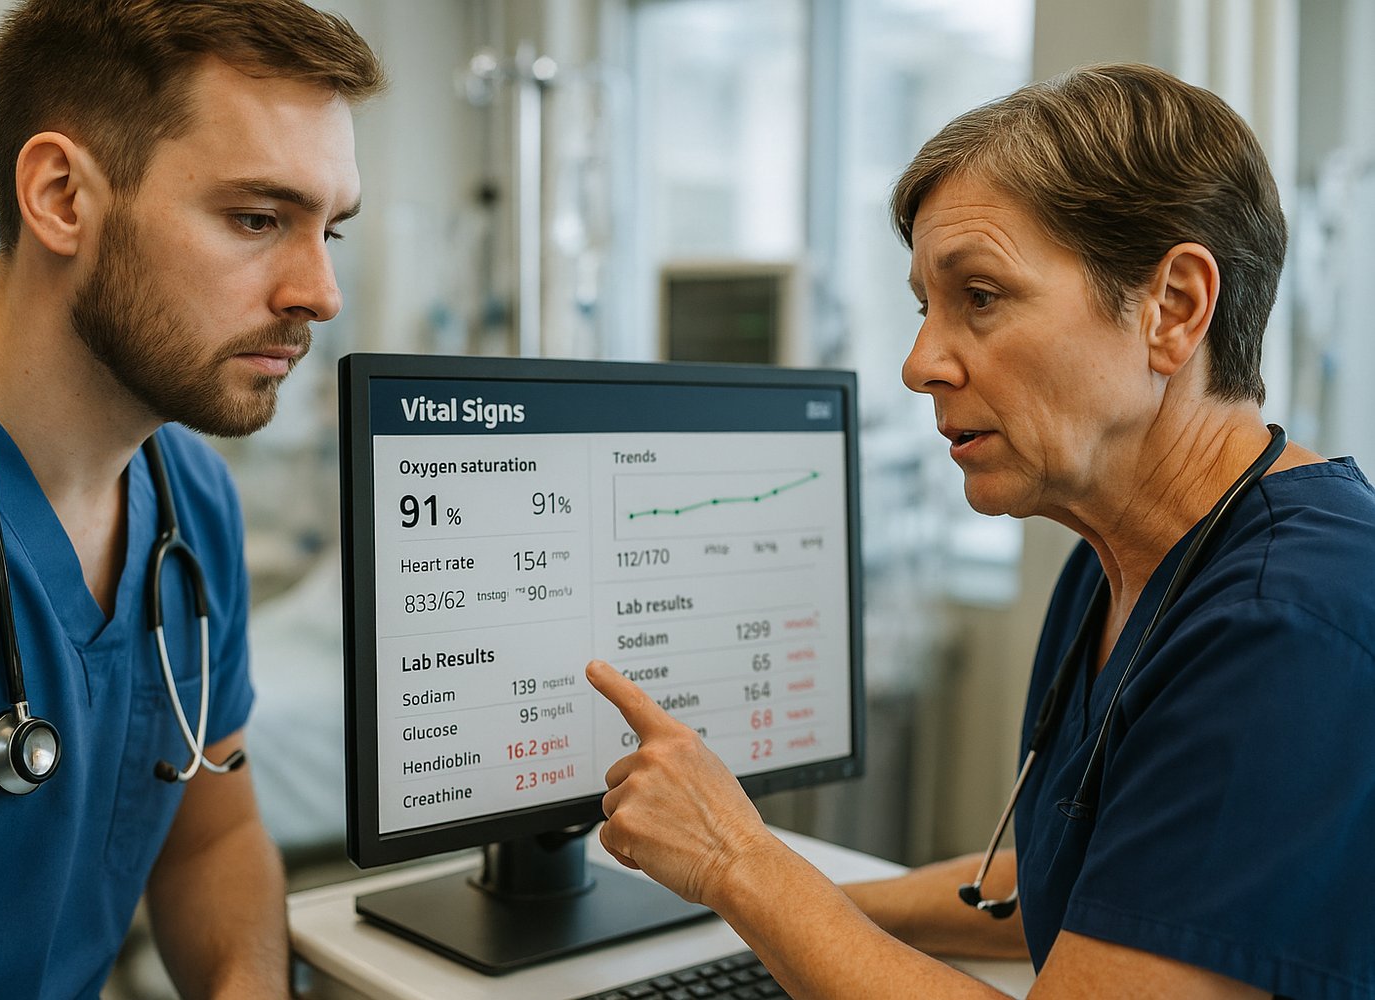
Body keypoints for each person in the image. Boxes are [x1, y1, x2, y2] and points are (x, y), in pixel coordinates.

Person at [587, 63, 1375, 999]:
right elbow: (1109, 885)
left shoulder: (1286, 627)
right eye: (927, 307)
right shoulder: (1121, 563)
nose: (920, 364)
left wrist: (740, 865)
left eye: (983, 296)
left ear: (1173, 310)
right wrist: (792, 907)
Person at [0, 1, 383, 996]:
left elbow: (210, 839)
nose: (321, 292)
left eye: (330, 229)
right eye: (258, 218)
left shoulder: (190, 498)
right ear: (61, 195)